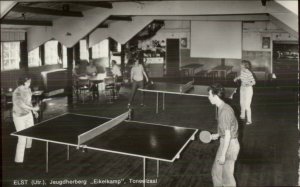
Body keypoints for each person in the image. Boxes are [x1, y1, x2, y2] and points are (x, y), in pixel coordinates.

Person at [207, 83, 240, 187]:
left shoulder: (224, 111)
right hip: (226, 142)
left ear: (215, 96)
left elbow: (228, 136)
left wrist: (223, 155)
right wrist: (217, 135)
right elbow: (227, 130)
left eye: (209, 95)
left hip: (229, 146)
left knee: (227, 179)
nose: (208, 97)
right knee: (216, 173)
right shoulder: (222, 107)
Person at [12, 76, 39, 164]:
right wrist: (34, 109)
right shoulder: (17, 92)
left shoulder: (28, 89)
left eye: (30, 81)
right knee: (22, 138)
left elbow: (28, 102)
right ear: (23, 82)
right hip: (19, 116)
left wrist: (33, 111)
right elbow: (22, 105)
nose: (29, 83)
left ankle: (28, 150)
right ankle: (18, 160)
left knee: (30, 134)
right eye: (28, 82)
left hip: (28, 114)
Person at [234, 60, 256, 125]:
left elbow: (254, 82)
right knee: (241, 103)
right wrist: (237, 78)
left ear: (245, 65)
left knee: (247, 106)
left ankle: (249, 120)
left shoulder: (249, 73)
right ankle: (242, 115)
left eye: (241, 64)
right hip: (242, 88)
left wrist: (248, 84)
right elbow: (241, 76)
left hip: (248, 90)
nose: (240, 65)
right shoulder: (242, 71)